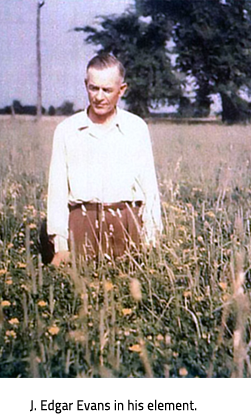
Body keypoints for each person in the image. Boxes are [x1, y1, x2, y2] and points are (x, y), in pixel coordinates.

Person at [44, 53, 163, 266]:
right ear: (86, 85)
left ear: (121, 90)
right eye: (93, 88)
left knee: (126, 292)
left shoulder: (136, 129)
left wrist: (150, 237)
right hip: (81, 224)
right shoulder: (67, 131)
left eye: (107, 90)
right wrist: (60, 245)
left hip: (126, 224)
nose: (99, 97)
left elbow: (149, 189)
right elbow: (57, 192)